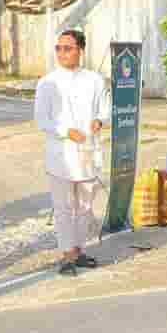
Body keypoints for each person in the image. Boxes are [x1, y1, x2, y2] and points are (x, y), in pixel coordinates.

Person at [34, 28, 109, 276]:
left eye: (68, 48)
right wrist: (66, 132)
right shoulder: (47, 83)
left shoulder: (95, 80)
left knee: (85, 207)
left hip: (88, 152)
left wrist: (99, 120)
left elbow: (104, 110)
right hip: (61, 154)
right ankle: (67, 255)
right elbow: (41, 120)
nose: (62, 53)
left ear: (81, 50)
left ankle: (79, 250)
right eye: (59, 48)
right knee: (63, 207)